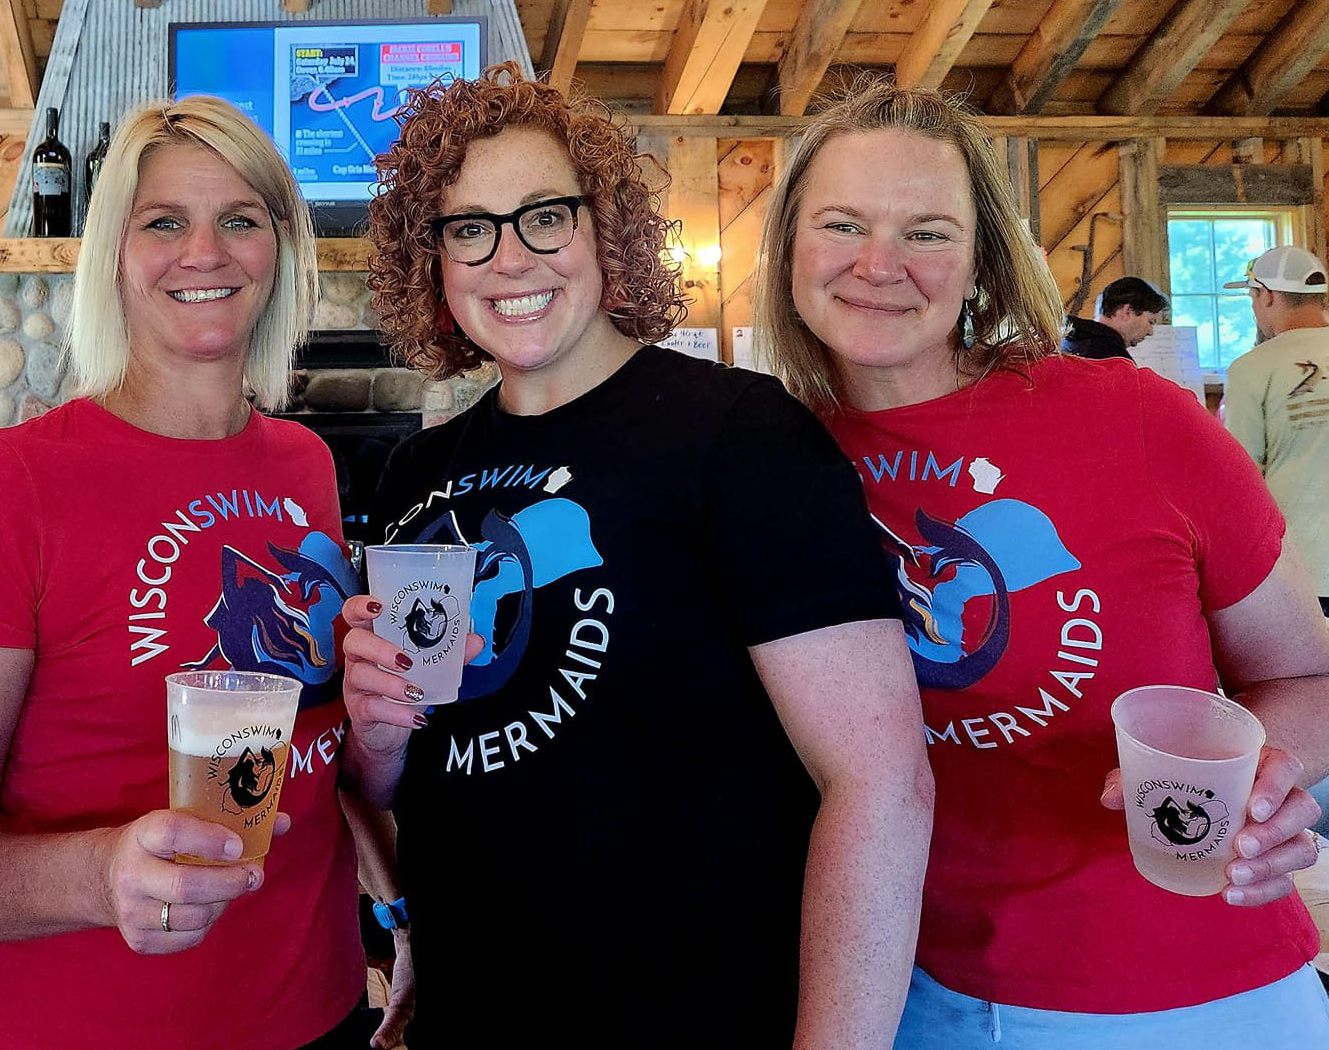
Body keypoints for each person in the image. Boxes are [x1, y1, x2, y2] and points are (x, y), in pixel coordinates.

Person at [336, 65, 934, 1047]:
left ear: (603, 229)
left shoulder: (738, 437)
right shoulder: (416, 472)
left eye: (543, 216)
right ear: (434, 261)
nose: (507, 256)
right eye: (468, 227)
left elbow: (878, 781)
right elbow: (402, 773)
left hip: (700, 1015)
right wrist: (377, 734)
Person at [754, 79, 1329, 1048]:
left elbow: (1308, 677)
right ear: (786, 248)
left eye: (925, 231)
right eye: (840, 223)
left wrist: (1263, 777)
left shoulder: (1136, 420)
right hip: (911, 997)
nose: (879, 263)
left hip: (1200, 996)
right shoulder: (764, 464)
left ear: (980, 256)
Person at [0, 96, 372, 1050]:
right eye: (164, 222)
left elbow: (315, 755)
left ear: (281, 250)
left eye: (240, 220)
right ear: (112, 253)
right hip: (46, 1025)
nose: (205, 252)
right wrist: (102, 875)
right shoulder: (8, 487)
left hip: (311, 1009)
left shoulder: (304, 464)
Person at [1222, 245, 1329, 627]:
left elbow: (1240, 478)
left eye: (1252, 297)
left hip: (1295, 572)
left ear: (1267, 295)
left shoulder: (1252, 369)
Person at [1062, 275, 1168, 360]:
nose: (1150, 332)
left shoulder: (1069, 341)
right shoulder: (1114, 358)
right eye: (1150, 322)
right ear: (1127, 312)